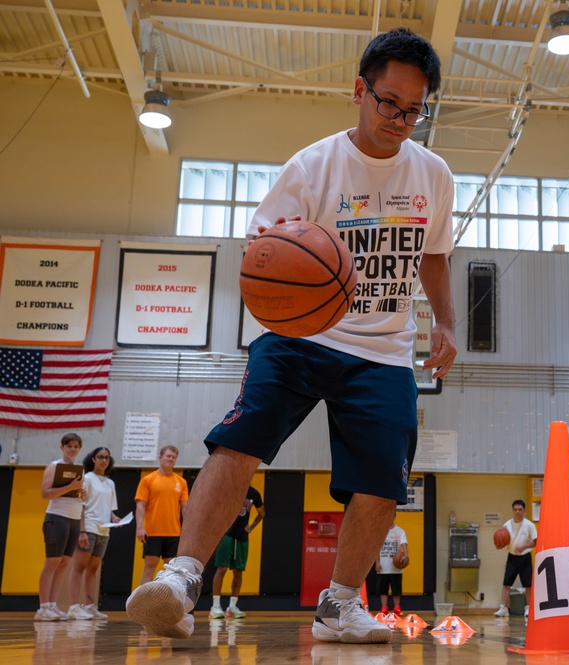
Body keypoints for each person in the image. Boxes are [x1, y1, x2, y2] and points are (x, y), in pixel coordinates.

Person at [126, 27, 456, 644]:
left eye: (415, 109)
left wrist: (445, 320)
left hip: (384, 348)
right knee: (240, 440)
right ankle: (182, 577)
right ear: (360, 90)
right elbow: (266, 251)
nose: (401, 119)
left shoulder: (433, 175)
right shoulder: (313, 166)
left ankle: (338, 604)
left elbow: (434, 255)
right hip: (301, 331)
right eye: (389, 102)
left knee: (384, 480)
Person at [36, 433, 87, 621]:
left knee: (64, 563)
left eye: (76, 446)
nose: (72, 449)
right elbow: (45, 493)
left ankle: (53, 605)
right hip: (56, 518)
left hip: (73, 519)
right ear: (62, 447)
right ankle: (42, 608)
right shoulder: (54, 466)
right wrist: (70, 486)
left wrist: (82, 493)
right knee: (52, 563)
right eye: (69, 446)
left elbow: (80, 499)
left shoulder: (79, 470)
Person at [67, 447, 120, 620]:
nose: (103, 460)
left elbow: (110, 509)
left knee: (93, 569)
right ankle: (74, 607)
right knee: (79, 567)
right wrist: (81, 530)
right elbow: (80, 505)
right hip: (88, 528)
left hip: (104, 530)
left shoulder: (110, 483)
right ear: (93, 459)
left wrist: (115, 518)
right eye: (100, 457)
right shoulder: (87, 478)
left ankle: (90, 606)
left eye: (106, 457)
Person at [135, 445, 189, 584]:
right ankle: (144, 604)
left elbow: (185, 508)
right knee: (149, 568)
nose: (170, 459)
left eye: (173, 457)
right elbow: (140, 505)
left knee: (172, 571)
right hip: (153, 532)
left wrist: (187, 530)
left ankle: (169, 604)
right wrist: (140, 527)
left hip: (174, 533)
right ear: (160, 458)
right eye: (168, 456)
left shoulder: (181, 482)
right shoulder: (148, 480)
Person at [209, 485, 265, 619]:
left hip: (242, 537)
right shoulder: (228, 489)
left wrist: (251, 527)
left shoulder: (254, 493)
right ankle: (215, 606)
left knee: (238, 571)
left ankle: (232, 607)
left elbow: (262, 513)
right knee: (221, 568)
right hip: (226, 535)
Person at [494, 499, 537, 618]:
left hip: (525, 557)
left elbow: (535, 541)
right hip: (512, 557)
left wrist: (524, 546)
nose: (517, 512)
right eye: (515, 509)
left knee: (528, 585)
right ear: (512, 510)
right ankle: (503, 608)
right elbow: (503, 541)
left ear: (524, 510)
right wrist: (500, 545)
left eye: (520, 509)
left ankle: (528, 608)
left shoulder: (529, 525)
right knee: (506, 584)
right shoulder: (507, 525)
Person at [375, 518, 408, 615]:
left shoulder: (400, 531)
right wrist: (377, 562)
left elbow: (404, 544)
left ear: (393, 517)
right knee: (383, 589)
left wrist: (406, 554)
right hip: (383, 566)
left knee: (396, 589)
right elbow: (377, 548)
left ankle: (397, 607)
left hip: (395, 567)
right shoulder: (380, 531)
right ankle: (384, 607)